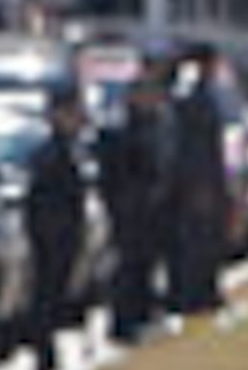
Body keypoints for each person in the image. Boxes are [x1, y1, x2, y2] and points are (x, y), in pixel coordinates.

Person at [20, 87, 89, 370]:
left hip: (64, 232)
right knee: (46, 295)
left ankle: (48, 350)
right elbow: (41, 200)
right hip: (52, 234)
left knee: (56, 294)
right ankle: (43, 353)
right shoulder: (50, 154)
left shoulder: (71, 150)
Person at [97, 68, 171, 342]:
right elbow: (117, 173)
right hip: (129, 210)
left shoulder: (156, 125)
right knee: (128, 265)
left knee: (145, 264)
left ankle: (143, 312)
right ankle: (124, 319)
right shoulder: (120, 130)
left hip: (149, 210)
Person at [165, 48, 231, 319]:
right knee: (197, 241)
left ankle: (207, 291)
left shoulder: (206, 97)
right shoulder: (193, 100)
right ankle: (195, 295)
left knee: (210, 238)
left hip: (210, 180)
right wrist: (198, 185)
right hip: (199, 183)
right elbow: (194, 148)